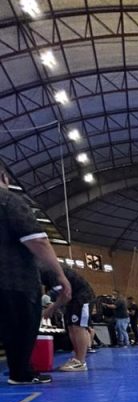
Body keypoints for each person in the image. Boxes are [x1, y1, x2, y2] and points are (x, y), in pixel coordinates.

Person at [0, 164, 72, 385]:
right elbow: (38, 241)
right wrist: (60, 275)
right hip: (13, 280)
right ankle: (20, 373)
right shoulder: (9, 200)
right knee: (22, 327)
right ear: (5, 177)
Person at [43, 267, 95, 372]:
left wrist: (51, 308)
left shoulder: (50, 272)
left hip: (82, 296)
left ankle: (80, 361)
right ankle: (76, 359)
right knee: (71, 327)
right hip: (73, 298)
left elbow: (66, 294)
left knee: (78, 326)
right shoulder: (45, 272)